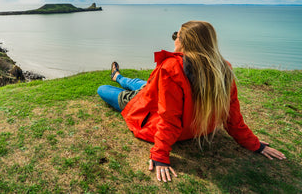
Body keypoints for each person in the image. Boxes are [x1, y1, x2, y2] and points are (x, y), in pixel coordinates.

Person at [97, 21, 286, 183]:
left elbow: (169, 118)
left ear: (185, 41)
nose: (174, 40)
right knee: (140, 83)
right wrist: (254, 144)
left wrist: (160, 156)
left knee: (103, 90)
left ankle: (118, 78)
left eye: (176, 36)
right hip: (188, 120)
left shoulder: (171, 68)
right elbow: (232, 116)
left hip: (147, 105)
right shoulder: (224, 69)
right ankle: (118, 76)